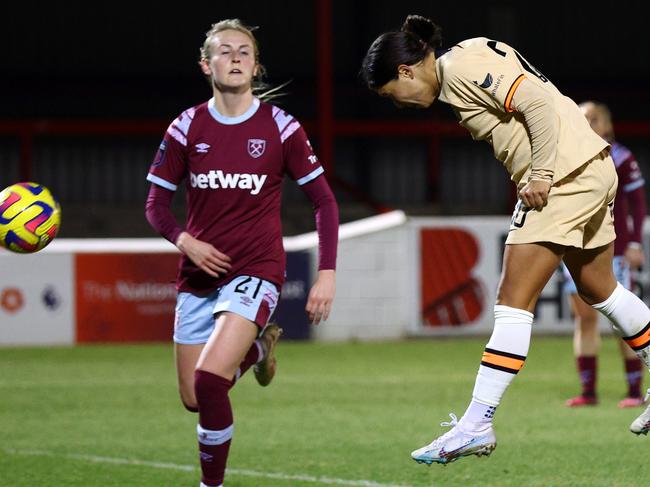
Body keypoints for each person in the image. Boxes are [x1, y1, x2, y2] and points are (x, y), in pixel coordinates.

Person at [360, 14, 650, 465]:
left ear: (405, 71)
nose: (400, 104)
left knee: (512, 299)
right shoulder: (466, 57)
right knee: (599, 288)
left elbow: (535, 102)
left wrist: (543, 173)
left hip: (566, 176)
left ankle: (476, 423)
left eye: (392, 96)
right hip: (590, 165)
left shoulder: (461, 69)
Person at [145, 19, 338, 487]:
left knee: (212, 382)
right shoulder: (187, 126)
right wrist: (185, 240)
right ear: (205, 64)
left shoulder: (281, 128)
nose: (235, 57)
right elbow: (155, 205)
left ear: (255, 66)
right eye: (224, 51)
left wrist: (327, 273)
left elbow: (325, 201)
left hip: (255, 270)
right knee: (195, 397)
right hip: (197, 275)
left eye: (244, 52)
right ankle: (258, 349)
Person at [563, 101, 647, 408]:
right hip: (574, 248)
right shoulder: (567, 157)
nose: (588, 123)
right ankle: (588, 392)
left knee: (621, 321)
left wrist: (635, 243)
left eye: (594, 118)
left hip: (614, 249)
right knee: (583, 320)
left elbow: (637, 204)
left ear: (608, 125)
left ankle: (635, 391)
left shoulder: (622, 157)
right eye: (583, 118)